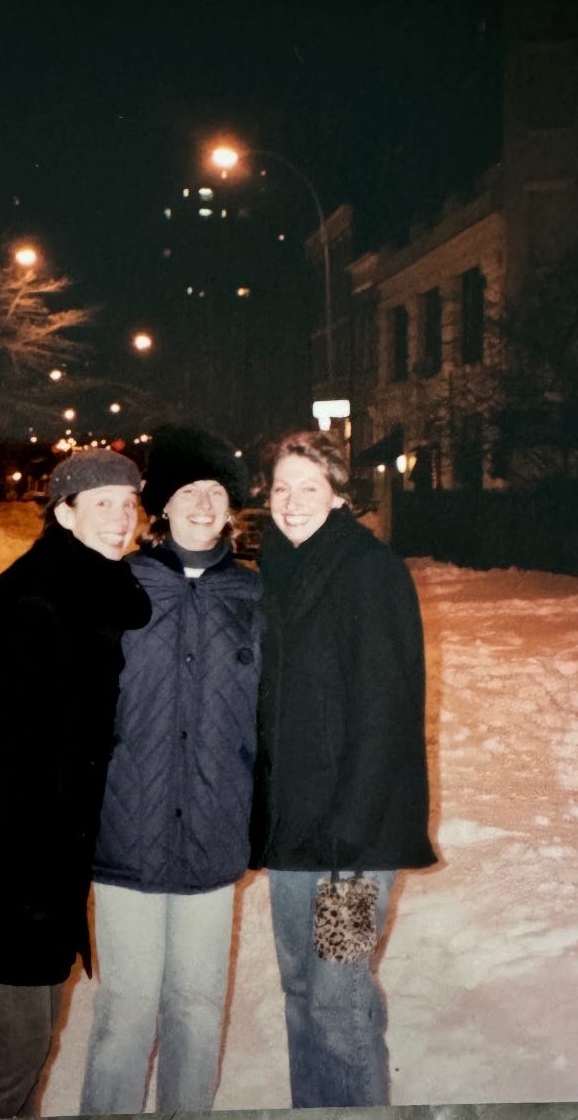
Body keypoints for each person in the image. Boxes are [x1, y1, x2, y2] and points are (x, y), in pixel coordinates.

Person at [0, 448, 151, 1120]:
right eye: (102, 503)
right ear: (65, 513)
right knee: (18, 1043)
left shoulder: (91, 587)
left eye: (128, 503)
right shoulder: (33, 597)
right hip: (7, 866)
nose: (120, 517)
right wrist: (18, 835)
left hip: (45, 865)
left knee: (32, 1035)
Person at [250, 429, 436, 1108]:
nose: (292, 501)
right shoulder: (278, 568)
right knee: (301, 989)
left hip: (351, 842)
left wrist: (350, 833)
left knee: (339, 999)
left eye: (309, 487)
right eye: (281, 488)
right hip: (293, 836)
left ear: (337, 496)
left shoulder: (367, 571)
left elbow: (387, 708)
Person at [80, 426, 263, 1114]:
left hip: (214, 831)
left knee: (196, 1006)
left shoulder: (253, 597)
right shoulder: (118, 586)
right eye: (189, 490)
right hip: (125, 832)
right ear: (163, 504)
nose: (204, 504)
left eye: (216, 491)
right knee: (125, 1010)